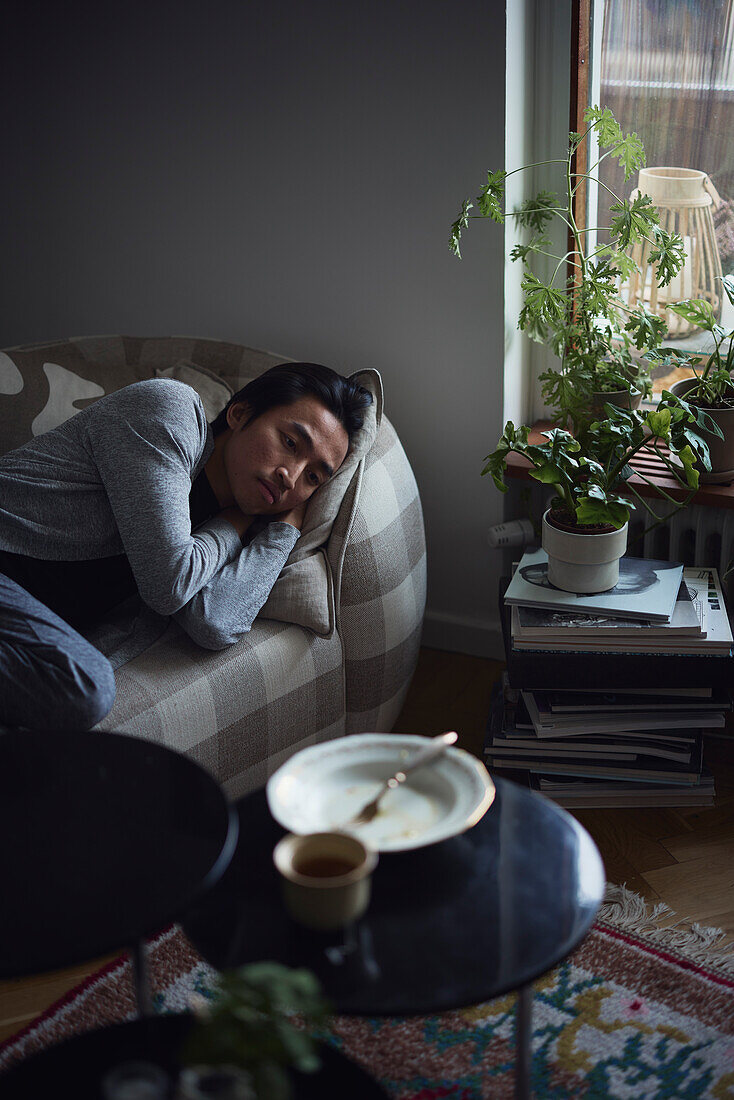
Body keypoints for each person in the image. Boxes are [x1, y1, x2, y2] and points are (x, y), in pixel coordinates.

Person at [0, 362, 372, 732]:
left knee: (76, 694)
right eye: (290, 443)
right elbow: (169, 586)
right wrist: (237, 522)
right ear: (240, 414)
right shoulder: (169, 411)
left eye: (312, 477)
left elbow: (214, 622)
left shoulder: (213, 531)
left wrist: (285, 529)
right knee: (84, 686)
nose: (290, 477)